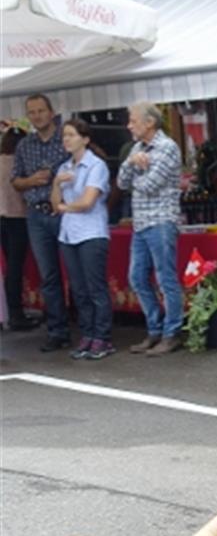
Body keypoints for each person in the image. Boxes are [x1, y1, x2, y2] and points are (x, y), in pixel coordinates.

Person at [118, 102, 183, 356]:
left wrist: (134, 169)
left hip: (161, 221)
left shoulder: (167, 148)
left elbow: (150, 184)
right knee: (136, 277)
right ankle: (154, 329)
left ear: (149, 123)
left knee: (166, 278)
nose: (129, 125)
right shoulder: (137, 148)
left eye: (133, 120)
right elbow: (122, 181)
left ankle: (172, 332)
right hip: (141, 223)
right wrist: (134, 163)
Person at [10, 94, 70, 350]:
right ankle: (58, 331)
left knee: (76, 272)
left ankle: (91, 330)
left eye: (40, 111)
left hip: (66, 212)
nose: (36, 116)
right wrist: (31, 180)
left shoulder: (66, 139)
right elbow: (15, 181)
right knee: (49, 275)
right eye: (31, 112)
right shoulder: (25, 145)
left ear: (51, 111)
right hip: (36, 213)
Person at [51, 119, 114, 360]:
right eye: (64, 136)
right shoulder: (65, 167)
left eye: (71, 135)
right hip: (68, 233)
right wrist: (56, 184)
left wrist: (64, 206)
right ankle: (87, 333)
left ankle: (103, 336)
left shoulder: (96, 166)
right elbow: (54, 202)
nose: (66, 139)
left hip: (91, 232)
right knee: (78, 289)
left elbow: (88, 202)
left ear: (85, 139)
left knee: (95, 287)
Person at [1, 122, 39, 331]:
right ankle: (16, 313)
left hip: (2, 218)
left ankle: (11, 310)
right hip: (19, 218)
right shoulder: (21, 165)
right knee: (16, 266)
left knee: (10, 267)